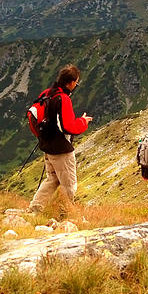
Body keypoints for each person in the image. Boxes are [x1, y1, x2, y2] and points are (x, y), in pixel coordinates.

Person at [29, 64, 92, 212]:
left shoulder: (48, 93)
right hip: (61, 149)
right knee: (69, 184)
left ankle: (35, 208)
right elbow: (68, 127)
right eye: (76, 82)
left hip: (47, 146)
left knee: (52, 179)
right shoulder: (63, 99)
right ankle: (65, 213)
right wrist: (83, 122)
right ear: (71, 82)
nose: (76, 85)